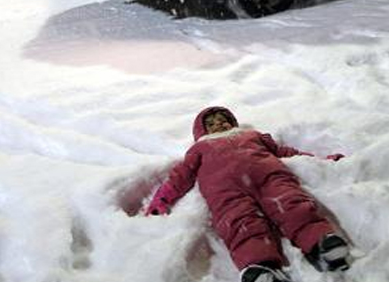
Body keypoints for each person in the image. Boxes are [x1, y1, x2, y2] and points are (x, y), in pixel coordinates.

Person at [145, 106, 349, 282]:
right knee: (240, 222)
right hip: (226, 192)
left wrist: (323, 159)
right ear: (202, 131)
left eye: (224, 121)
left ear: (233, 123)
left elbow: (286, 152)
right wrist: (161, 201)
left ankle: (320, 244)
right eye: (212, 123)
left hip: (270, 177)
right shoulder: (199, 148)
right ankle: (260, 266)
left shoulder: (252, 135)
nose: (219, 125)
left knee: (292, 205)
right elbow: (181, 175)